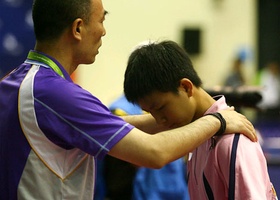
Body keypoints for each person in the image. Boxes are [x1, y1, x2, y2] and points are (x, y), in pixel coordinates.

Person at [0, 0, 256, 199]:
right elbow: (155, 153)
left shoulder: (16, 82)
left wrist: (174, 118)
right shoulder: (56, 94)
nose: (103, 31)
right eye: (101, 20)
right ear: (78, 28)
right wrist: (217, 121)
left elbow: (108, 124)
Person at [123, 40, 277, 199]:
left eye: (161, 108)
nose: (160, 121)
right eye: (150, 113)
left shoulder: (232, 140)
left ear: (186, 87)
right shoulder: (197, 132)